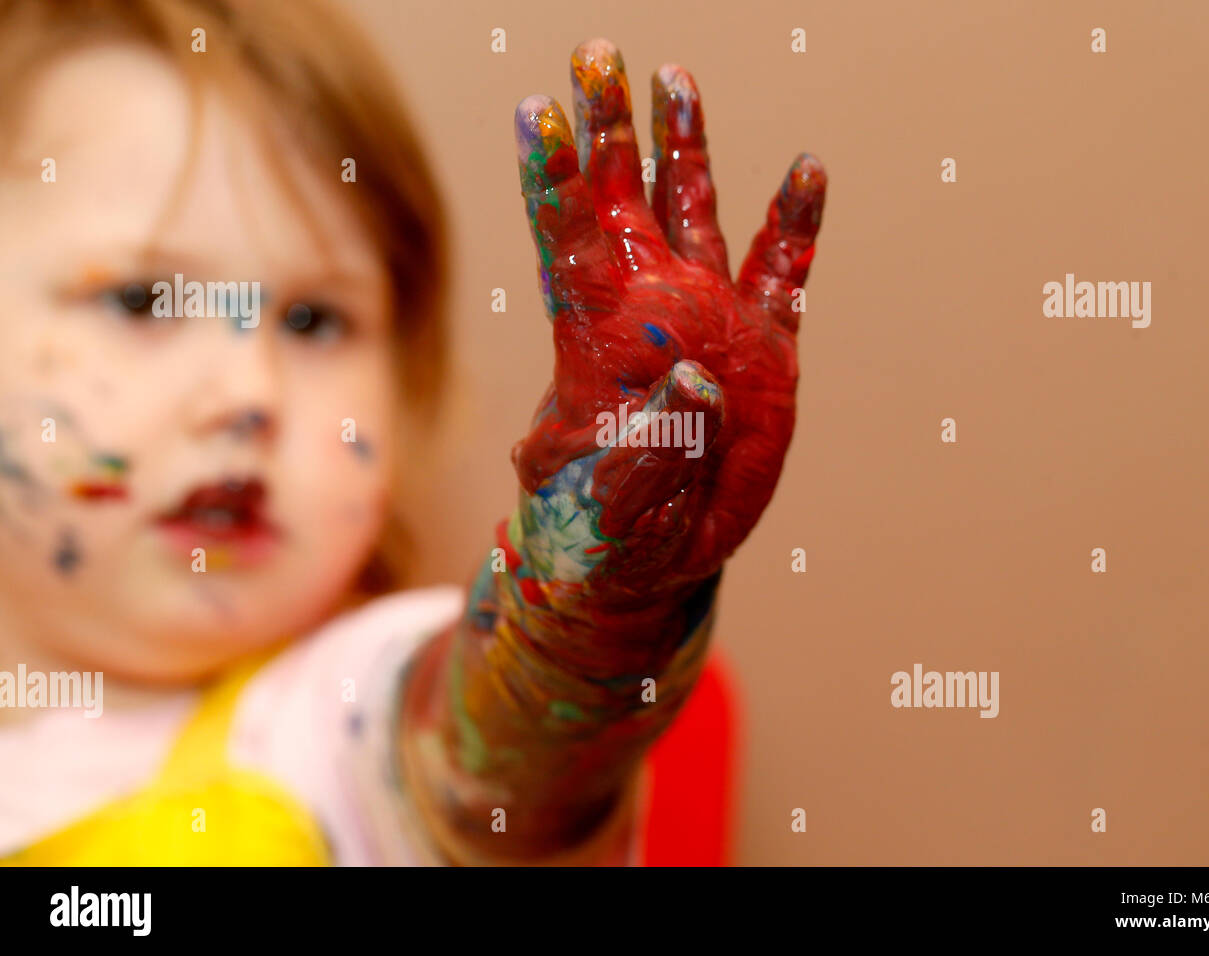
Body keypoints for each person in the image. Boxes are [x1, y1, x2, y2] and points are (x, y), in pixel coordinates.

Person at [0, 0, 826, 865]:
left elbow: (500, 753)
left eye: (315, 320)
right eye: (144, 300)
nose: (248, 393)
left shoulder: (332, 723)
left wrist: (585, 621)